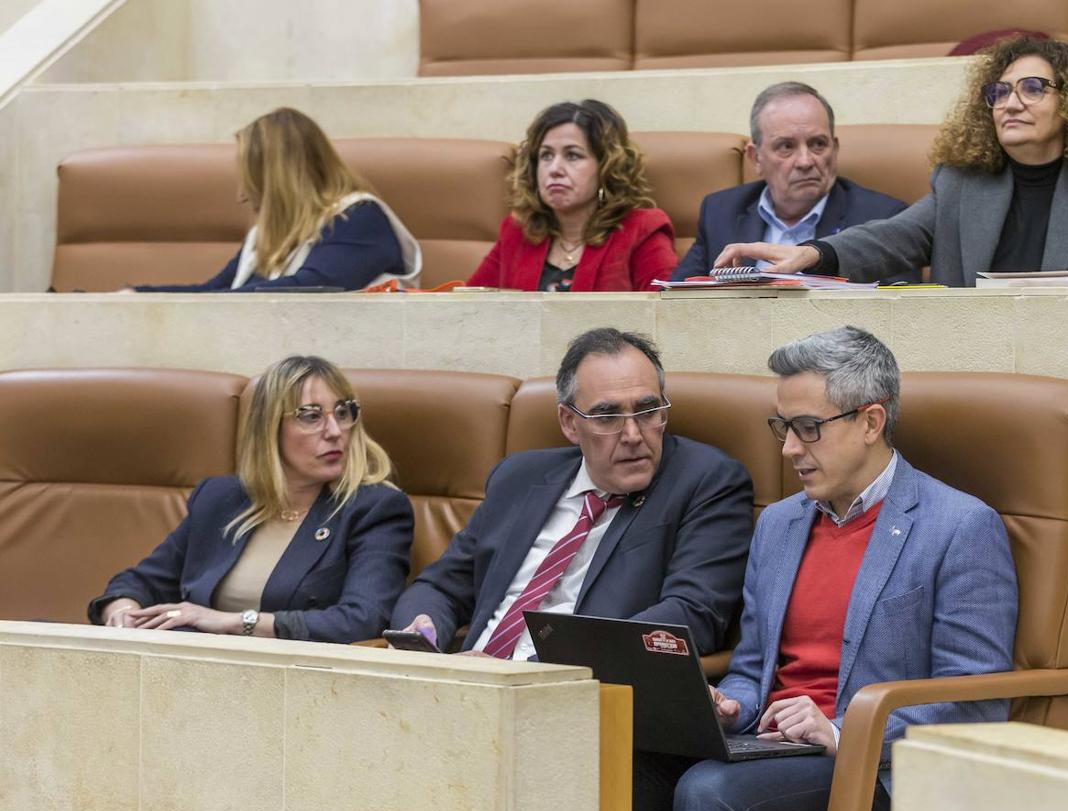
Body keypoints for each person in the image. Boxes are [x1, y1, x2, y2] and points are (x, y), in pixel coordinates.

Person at [662, 326, 1018, 811]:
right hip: (770, 747)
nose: (788, 449)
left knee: (709, 791)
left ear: (871, 421)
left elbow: (975, 698)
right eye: (782, 427)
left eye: (808, 427)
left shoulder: (960, 527)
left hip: (881, 765)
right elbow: (752, 667)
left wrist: (839, 730)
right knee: (605, 763)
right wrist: (731, 706)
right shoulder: (779, 525)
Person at [391, 327, 752, 661]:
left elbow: (690, 615)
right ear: (568, 422)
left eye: (647, 411)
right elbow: (442, 585)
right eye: (608, 416)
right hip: (465, 686)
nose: (632, 434)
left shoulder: (706, 481)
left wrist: (532, 671)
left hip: (585, 693)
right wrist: (422, 631)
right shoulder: (518, 478)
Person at [716, 37, 1068, 286]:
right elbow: (890, 239)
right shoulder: (959, 185)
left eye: (1033, 88)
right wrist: (813, 253)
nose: (1010, 103)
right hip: (966, 367)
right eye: (1000, 92)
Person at [89, 355, 413, 643]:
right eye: (311, 416)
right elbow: (142, 580)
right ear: (269, 429)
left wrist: (230, 622)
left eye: (343, 413)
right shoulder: (221, 499)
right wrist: (122, 609)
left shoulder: (373, 509)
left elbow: (363, 618)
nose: (334, 430)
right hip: (191, 669)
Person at [131, 107, 421, 292]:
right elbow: (215, 290)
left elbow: (311, 290)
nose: (242, 195)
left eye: (251, 179)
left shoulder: (359, 218)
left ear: (276, 181)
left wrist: (223, 302)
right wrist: (135, 296)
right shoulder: (269, 233)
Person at [671, 82, 913, 282]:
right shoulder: (720, 211)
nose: (806, 161)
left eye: (818, 144)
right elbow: (674, 299)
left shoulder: (884, 218)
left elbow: (898, 319)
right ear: (756, 158)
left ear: (835, 149)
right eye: (786, 146)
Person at [466, 100, 677, 292]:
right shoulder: (518, 231)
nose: (555, 169)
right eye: (546, 155)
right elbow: (471, 308)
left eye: (572, 155)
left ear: (607, 167)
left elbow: (664, 314)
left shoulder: (642, 230)